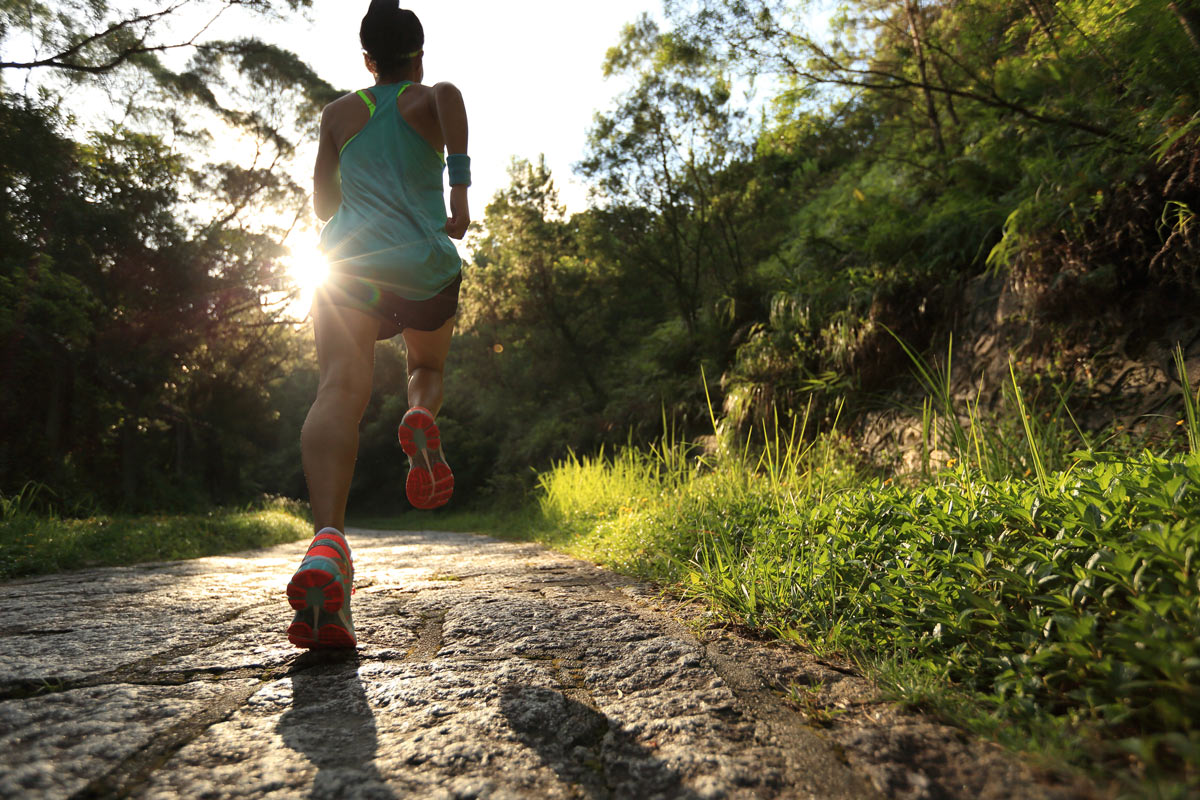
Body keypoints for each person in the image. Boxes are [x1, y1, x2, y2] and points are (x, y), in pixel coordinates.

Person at [285, 0, 470, 649]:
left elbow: (322, 204)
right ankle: (420, 418)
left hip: (350, 267)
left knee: (338, 389)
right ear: (419, 53)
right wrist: (458, 197)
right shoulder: (435, 96)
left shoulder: (339, 114)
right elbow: (454, 132)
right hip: (422, 267)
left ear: (367, 60)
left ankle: (327, 543)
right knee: (424, 367)